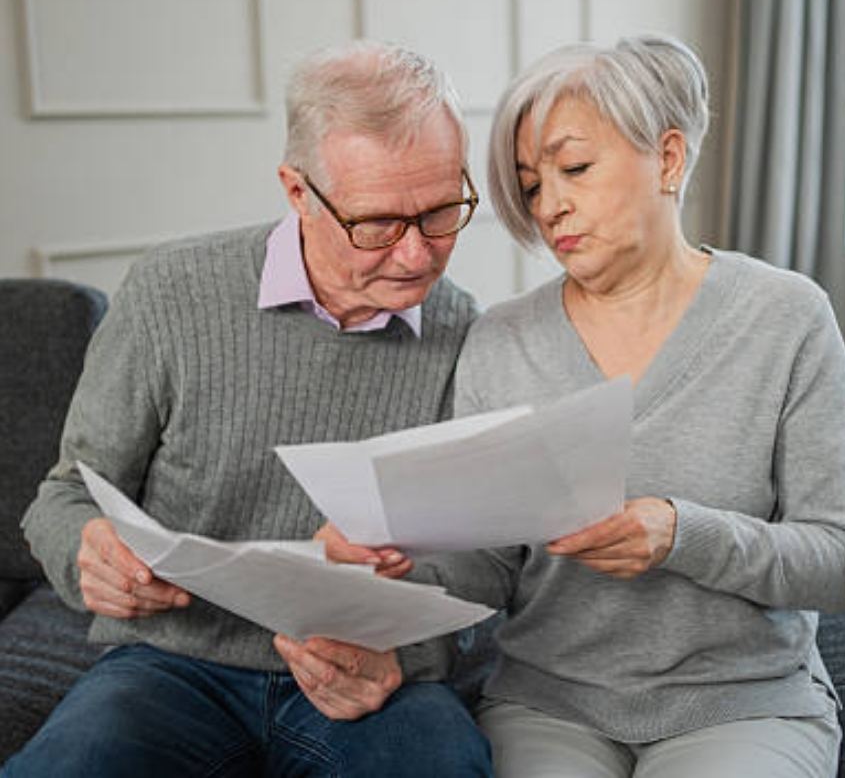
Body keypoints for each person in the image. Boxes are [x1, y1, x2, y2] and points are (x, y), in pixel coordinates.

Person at [322, 35, 845, 777]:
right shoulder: (501, 341)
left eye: (575, 168)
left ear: (669, 159)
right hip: (550, 706)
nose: (550, 206)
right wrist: (396, 566)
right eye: (529, 184)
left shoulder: (786, 317)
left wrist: (683, 534)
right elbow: (484, 572)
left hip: (744, 704)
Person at [7, 41, 492, 777]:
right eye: (378, 225)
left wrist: (407, 654)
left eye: (441, 212)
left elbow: (481, 566)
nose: (418, 255)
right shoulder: (171, 292)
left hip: (367, 678)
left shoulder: (467, 335)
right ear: (297, 192)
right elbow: (66, 492)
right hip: (172, 666)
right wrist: (88, 554)